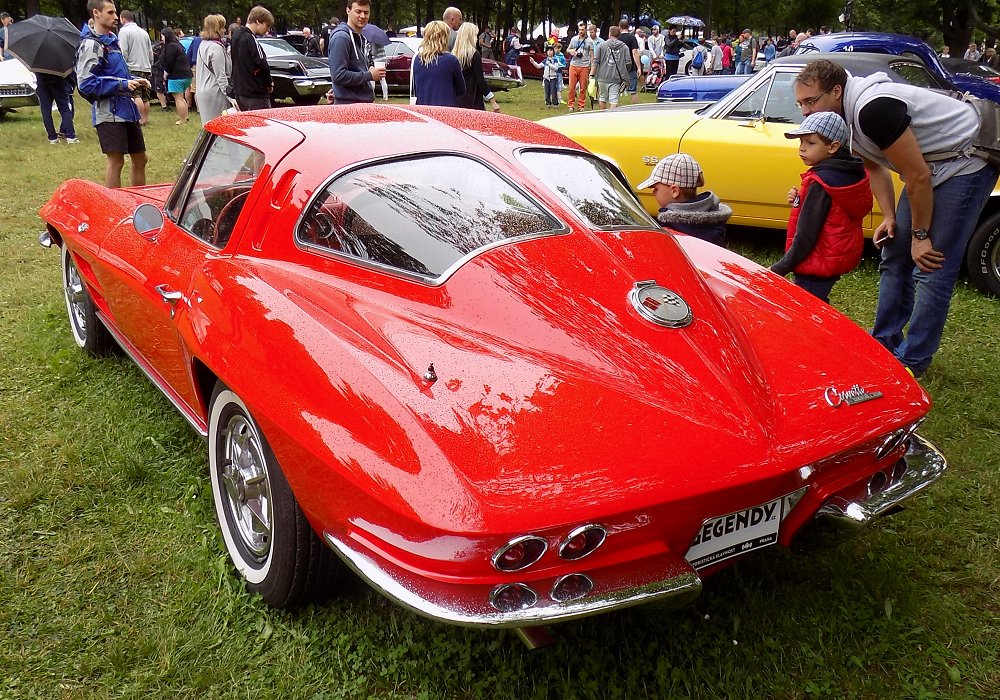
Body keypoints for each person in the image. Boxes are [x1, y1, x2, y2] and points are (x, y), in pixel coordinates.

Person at [795, 58, 1000, 376]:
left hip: (969, 155)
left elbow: (916, 177)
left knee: (932, 264)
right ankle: (885, 345)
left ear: (836, 91)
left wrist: (921, 236)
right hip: (931, 163)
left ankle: (913, 361)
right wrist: (890, 216)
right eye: (800, 104)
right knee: (894, 252)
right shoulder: (843, 118)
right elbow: (875, 167)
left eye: (811, 101)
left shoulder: (871, 110)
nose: (805, 111)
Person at [770, 112, 872, 303]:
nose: (802, 149)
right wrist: (800, 199)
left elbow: (806, 235)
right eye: (801, 143)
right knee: (817, 303)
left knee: (806, 310)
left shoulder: (821, 182)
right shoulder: (849, 173)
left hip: (815, 262)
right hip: (832, 259)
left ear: (833, 146)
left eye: (810, 143)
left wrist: (781, 267)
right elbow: (831, 211)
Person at [76, 0, 148, 188]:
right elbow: (85, 84)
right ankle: (113, 210)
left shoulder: (112, 41)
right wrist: (122, 84)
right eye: (110, 12)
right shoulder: (91, 44)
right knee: (116, 162)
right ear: (96, 13)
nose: (116, 17)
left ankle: (137, 203)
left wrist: (134, 79)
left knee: (140, 158)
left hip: (126, 109)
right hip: (108, 113)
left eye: (115, 12)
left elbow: (114, 74)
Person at [639, 153, 732, 246]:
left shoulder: (671, 226)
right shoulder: (714, 220)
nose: (653, 192)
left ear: (674, 191)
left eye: (656, 188)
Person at [328, 0, 383, 105]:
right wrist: (369, 75)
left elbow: (351, 70)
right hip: (349, 108)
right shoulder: (341, 37)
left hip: (359, 105)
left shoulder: (359, 37)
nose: (362, 16)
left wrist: (368, 69)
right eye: (358, 11)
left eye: (366, 13)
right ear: (348, 11)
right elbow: (339, 75)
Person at [230, 6, 274, 110]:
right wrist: (269, 82)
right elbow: (262, 63)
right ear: (258, 21)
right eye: (267, 26)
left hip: (240, 91)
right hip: (255, 93)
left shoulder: (236, 35)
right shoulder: (250, 38)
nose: (267, 30)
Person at [412, 20, 463, 106]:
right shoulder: (451, 60)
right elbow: (461, 89)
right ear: (445, 37)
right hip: (446, 111)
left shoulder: (418, 59)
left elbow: (416, 89)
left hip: (423, 110)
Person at [452, 22, 499, 111]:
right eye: (475, 35)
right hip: (472, 98)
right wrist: (492, 99)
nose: (476, 38)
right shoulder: (474, 55)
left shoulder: (453, 55)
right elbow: (480, 80)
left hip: (456, 99)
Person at [117, 10, 153, 125]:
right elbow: (150, 51)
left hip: (132, 67)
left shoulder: (124, 32)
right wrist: (149, 64)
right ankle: (146, 118)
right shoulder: (144, 32)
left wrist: (122, 66)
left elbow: (123, 51)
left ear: (123, 18)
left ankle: (140, 119)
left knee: (136, 95)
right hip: (146, 66)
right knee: (146, 96)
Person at [195, 14, 231, 123]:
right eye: (222, 27)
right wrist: (230, 97)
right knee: (219, 128)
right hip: (215, 92)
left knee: (208, 126)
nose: (224, 30)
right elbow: (221, 76)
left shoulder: (203, 44)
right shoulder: (216, 48)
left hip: (202, 90)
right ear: (217, 29)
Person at [35, 73, 78, 144]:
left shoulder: (38, 62)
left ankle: (52, 138)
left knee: (46, 111)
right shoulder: (58, 62)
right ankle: (70, 136)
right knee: (65, 109)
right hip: (58, 82)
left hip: (42, 83)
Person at [159, 28, 191, 124]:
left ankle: (182, 119)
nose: (161, 39)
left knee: (178, 98)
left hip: (176, 76)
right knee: (181, 98)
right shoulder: (178, 45)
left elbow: (169, 62)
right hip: (187, 75)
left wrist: (165, 74)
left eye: (162, 36)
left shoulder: (170, 47)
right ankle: (185, 116)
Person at [593, 25, 629, 110]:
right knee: (614, 99)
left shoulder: (602, 45)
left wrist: (592, 74)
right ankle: (611, 116)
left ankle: (603, 114)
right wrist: (624, 72)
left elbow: (596, 61)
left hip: (602, 76)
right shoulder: (624, 47)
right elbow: (628, 62)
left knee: (602, 97)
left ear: (610, 34)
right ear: (619, 35)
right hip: (616, 77)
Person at [565, 21, 594, 112]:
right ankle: (571, 105)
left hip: (584, 66)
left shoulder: (590, 41)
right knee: (571, 87)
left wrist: (592, 67)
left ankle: (581, 105)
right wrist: (572, 51)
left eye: (582, 29)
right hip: (574, 65)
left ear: (586, 30)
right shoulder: (574, 39)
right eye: (579, 29)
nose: (581, 31)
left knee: (582, 88)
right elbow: (567, 49)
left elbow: (592, 55)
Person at [617, 20, 640, 104]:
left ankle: (615, 108)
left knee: (615, 91)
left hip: (618, 67)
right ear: (628, 26)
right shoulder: (632, 37)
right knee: (633, 91)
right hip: (630, 67)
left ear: (619, 27)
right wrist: (639, 67)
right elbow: (635, 53)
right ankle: (636, 109)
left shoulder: (617, 38)